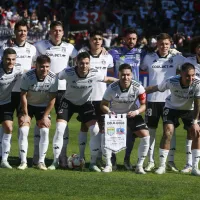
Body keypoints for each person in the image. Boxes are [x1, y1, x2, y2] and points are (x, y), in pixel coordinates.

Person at [48, 52, 117, 171]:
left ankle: (93, 163)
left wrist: (121, 81)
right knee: (60, 129)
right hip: (68, 103)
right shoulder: (68, 72)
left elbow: (107, 79)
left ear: (89, 63)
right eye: (81, 63)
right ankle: (55, 161)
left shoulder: (95, 73)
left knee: (94, 130)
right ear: (76, 63)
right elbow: (55, 76)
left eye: (86, 63)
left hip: (85, 104)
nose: (84, 66)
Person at [34, 21, 78, 167]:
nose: (57, 33)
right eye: (54, 30)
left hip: (63, 89)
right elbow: (28, 57)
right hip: (44, 88)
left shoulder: (69, 47)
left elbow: (83, 58)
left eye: (59, 30)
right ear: (50, 32)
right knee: (40, 121)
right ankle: (36, 156)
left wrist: (102, 49)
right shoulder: (40, 45)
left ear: (63, 32)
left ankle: (62, 157)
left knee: (62, 123)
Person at [140, 33, 185, 172]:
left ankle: (169, 161)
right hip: (153, 100)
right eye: (161, 44)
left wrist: (181, 52)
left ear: (170, 44)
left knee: (170, 132)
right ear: (157, 44)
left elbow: (191, 63)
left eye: (166, 44)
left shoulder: (176, 57)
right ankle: (151, 161)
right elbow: (140, 68)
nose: (164, 46)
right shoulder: (149, 57)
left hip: (170, 101)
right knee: (151, 132)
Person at [145, 62, 200, 176]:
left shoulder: (197, 83)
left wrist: (195, 122)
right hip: (172, 108)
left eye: (193, 75)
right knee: (168, 132)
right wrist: (139, 91)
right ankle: (162, 166)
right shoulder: (171, 81)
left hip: (189, 109)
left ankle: (192, 166)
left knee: (195, 133)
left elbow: (198, 104)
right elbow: (156, 88)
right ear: (180, 74)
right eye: (187, 76)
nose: (190, 78)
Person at [100, 63, 150, 173]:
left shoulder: (138, 87)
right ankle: (109, 164)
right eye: (123, 75)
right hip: (115, 117)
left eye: (128, 75)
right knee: (105, 136)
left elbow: (144, 105)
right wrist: (109, 112)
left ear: (132, 75)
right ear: (119, 75)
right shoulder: (112, 88)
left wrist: (136, 112)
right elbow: (103, 104)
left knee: (146, 136)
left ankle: (139, 166)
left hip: (131, 115)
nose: (125, 77)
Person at [108, 27, 144, 170]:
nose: (131, 41)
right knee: (114, 130)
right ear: (123, 39)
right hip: (116, 97)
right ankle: (113, 160)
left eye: (134, 39)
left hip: (133, 99)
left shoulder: (141, 53)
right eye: (129, 38)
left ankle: (127, 159)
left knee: (131, 132)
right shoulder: (114, 53)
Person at [76, 30, 114, 165]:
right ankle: (81, 157)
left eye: (99, 39)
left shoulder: (108, 57)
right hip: (87, 97)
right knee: (85, 127)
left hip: (103, 98)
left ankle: (97, 157)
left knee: (102, 129)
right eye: (94, 39)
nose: (97, 41)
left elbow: (108, 73)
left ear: (102, 41)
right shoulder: (83, 55)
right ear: (90, 40)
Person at [0, 19, 36, 158]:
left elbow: (37, 66)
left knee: (23, 125)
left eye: (25, 31)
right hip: (7, 92)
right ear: (15, 32)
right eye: (20, 30)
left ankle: (23, 159)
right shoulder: (5, 48)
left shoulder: (32, 48)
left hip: (24, 92)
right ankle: (3, 156)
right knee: (6, 125)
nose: (22, 33)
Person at [17, 55, 58, 170]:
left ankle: (41, 162)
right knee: (24, 130)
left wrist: (45, 116)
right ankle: (23, 161)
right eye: (41, 67)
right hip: (28, 105)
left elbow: (52, 99)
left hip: (43, 107)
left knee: (45, 130)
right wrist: (25, 114)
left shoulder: (53, 77)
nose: (44, 69)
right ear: (36, 66)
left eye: (47, 67)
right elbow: (23, 96)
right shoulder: (27, 76)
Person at [0, 48, 23, 168]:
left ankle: (4, 160)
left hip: (5, 103)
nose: (10, 62)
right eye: (8, 59)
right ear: (2, 59)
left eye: (13, 59)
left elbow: (29, 74)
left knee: (8, 127)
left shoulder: (18, 69)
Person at [181, 36, 200, 173]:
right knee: (192, 132)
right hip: (193, 101)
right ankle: (189, 164)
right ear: (195, 48)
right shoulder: (189, 61)